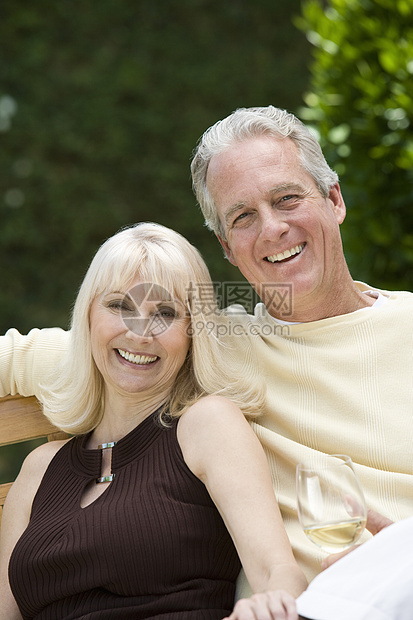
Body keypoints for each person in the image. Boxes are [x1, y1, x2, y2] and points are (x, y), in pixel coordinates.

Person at [0, 105, 412, 589]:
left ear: (335, 199)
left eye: (286, 199)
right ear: (225, 248)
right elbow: (36, 355)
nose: (271, 229)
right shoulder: (211, 344)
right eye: (242, 217)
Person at [0, 223, 308, 620]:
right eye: (119, 306)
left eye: (164, 313)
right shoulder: (39, 469)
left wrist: (273, 603)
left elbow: (277, 571)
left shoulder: (207, 425)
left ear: (192, 333)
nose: (139, 332)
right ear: (89, 317)